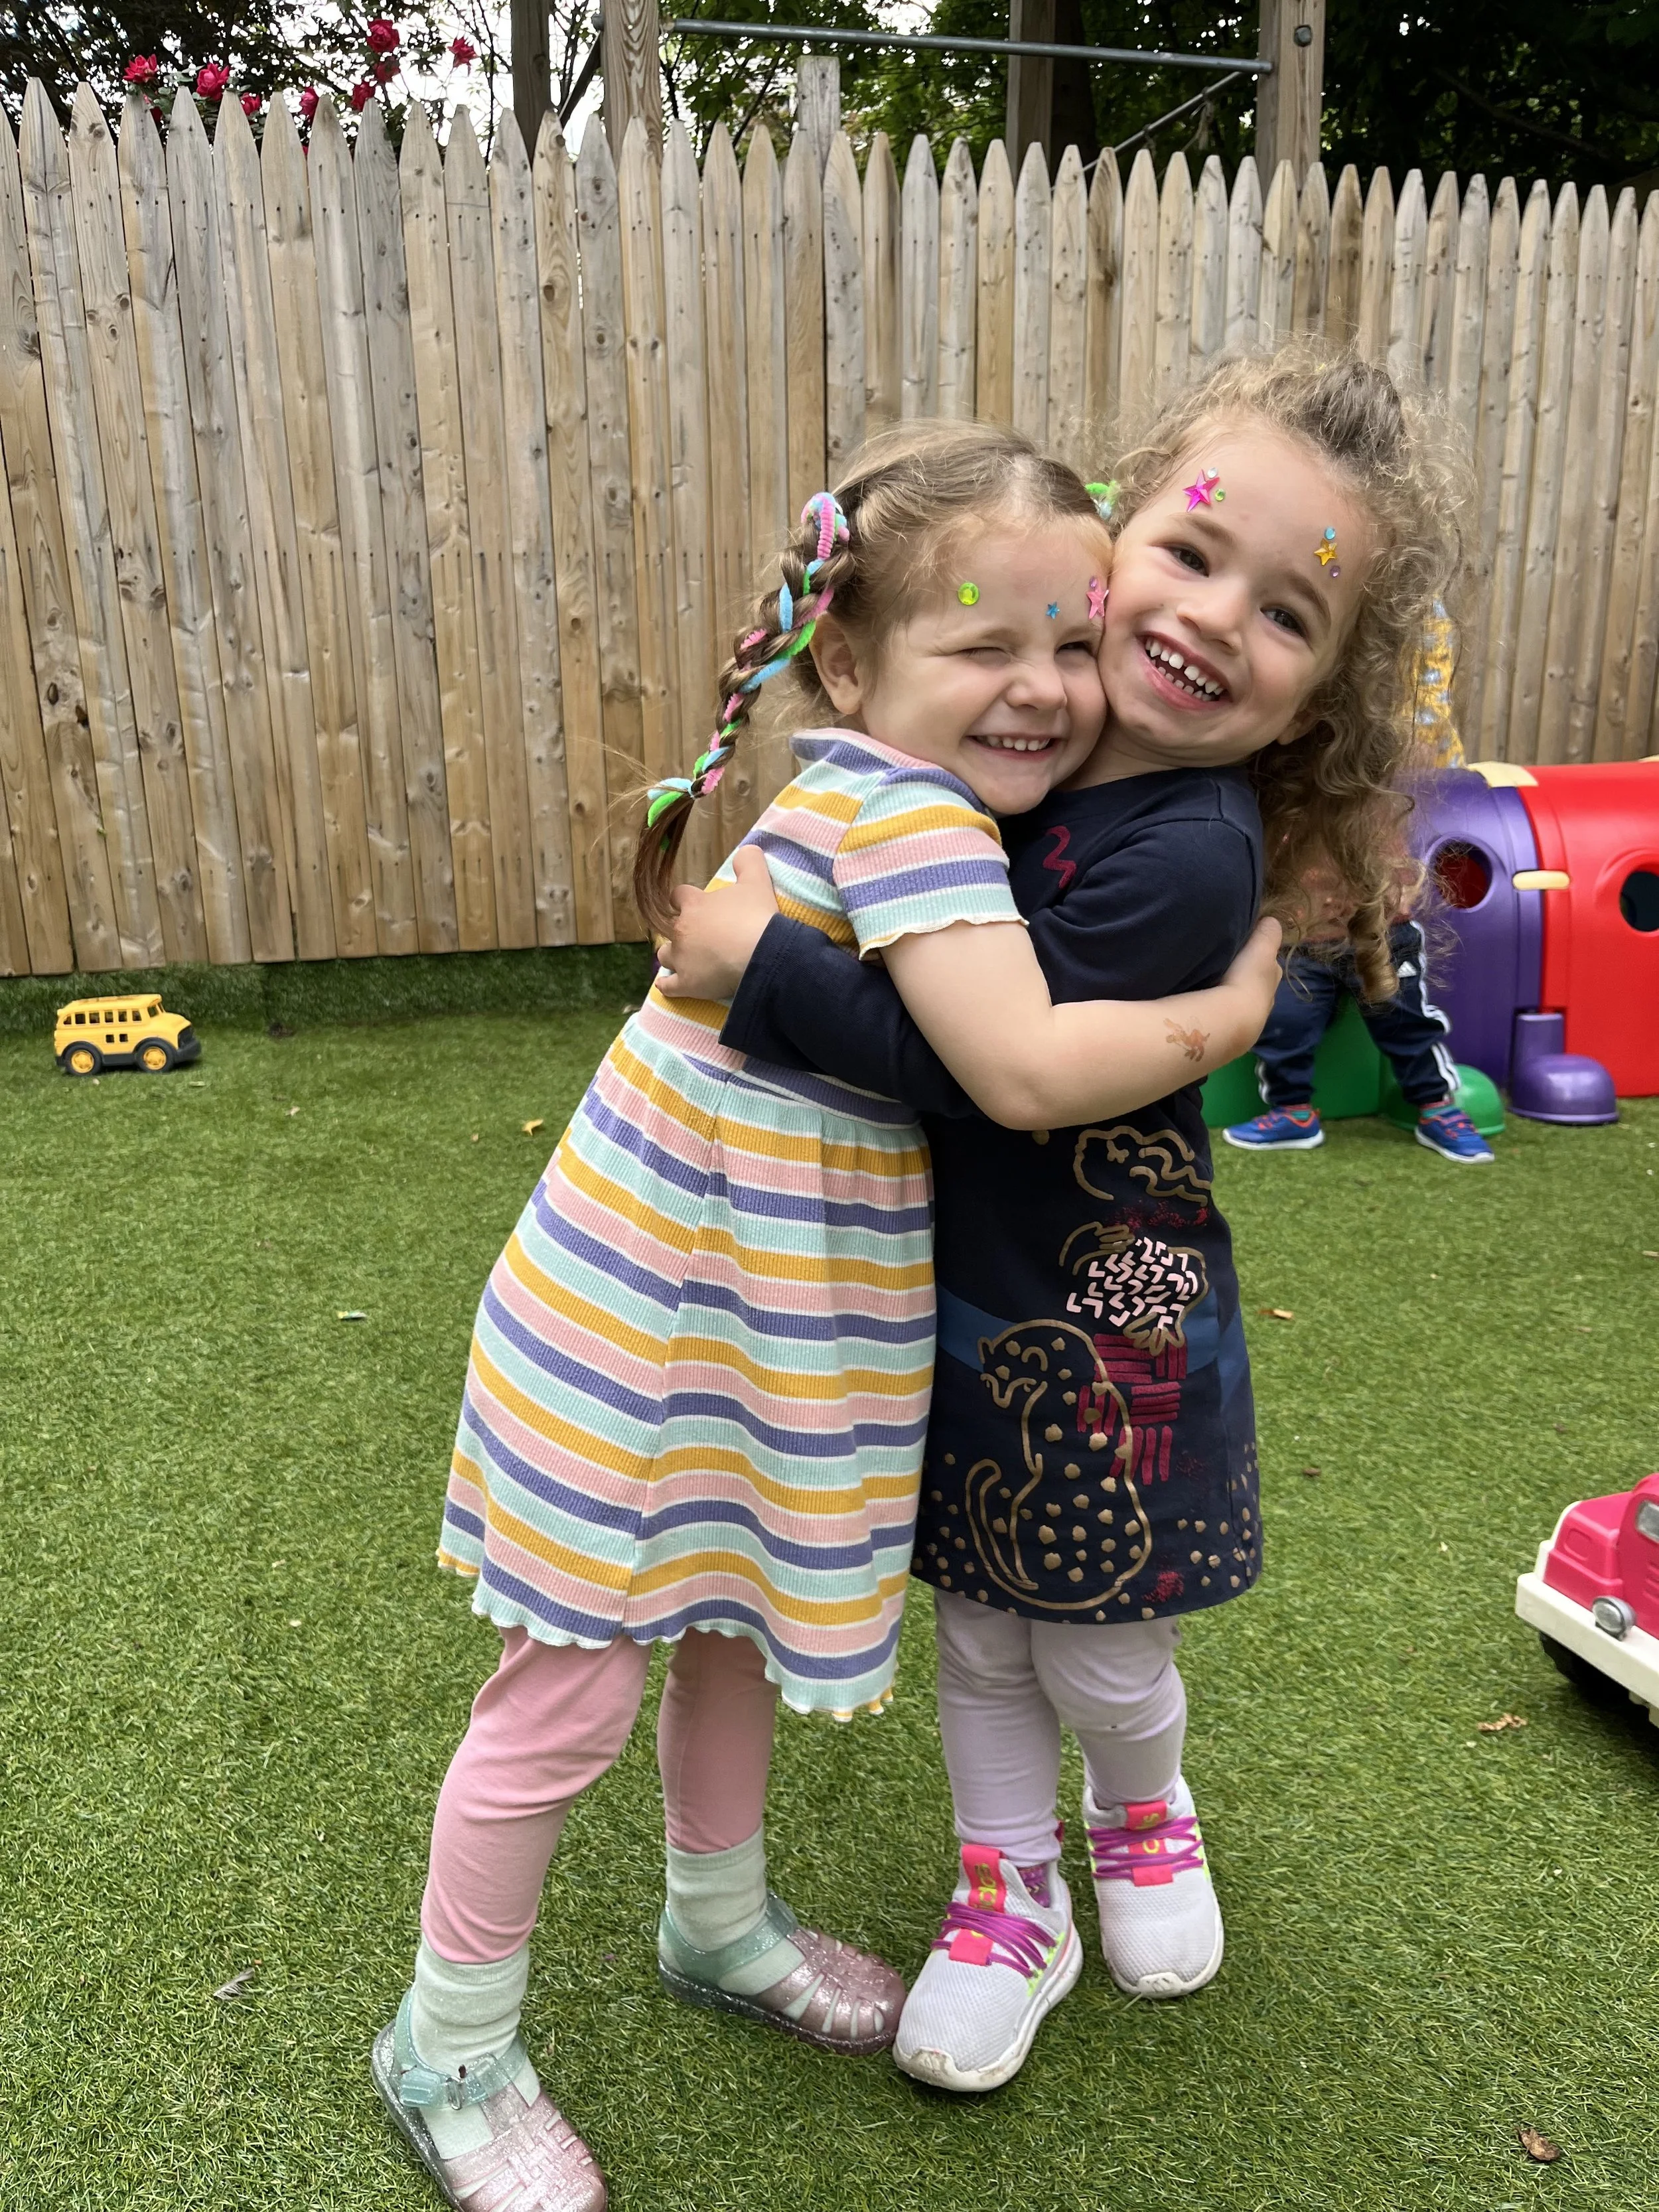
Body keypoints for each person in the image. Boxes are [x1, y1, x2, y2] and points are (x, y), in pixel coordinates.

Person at [370, 423, 1284, 2212]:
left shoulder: (897, 794)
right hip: (661, 1320)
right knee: (561, 1698)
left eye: (1066, 639)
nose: (1039, 690)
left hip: (758, 1307)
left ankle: (716, 1919)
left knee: (725, 1627)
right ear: (850, 663)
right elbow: (1017, 1070)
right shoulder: (911, 813)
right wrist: (1234, 1001)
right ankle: (447, 2042)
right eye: (980, 644)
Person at [660, 349, 1461, 2093]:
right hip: (962, 1272)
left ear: (1317, 695)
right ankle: (1003, 1885)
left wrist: (766, 972)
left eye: (1284, 611)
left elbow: (996, 1070)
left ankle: (1140, 1800)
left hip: (1116, 1291)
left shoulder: (1179, 848)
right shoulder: (1040, 743)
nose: (1208, 618)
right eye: (1189, 555)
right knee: (974, 1612)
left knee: (1099, 1621)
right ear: (1112, 547)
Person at [1222, 853, 1495, 1162]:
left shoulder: (1371, 813)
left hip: (1380, 933)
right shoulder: (1282, 814)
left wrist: (1400, 894)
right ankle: (1293, 1113)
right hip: (1303, 937)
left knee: (1406, 1022)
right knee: (1284, 1020)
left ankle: (1438, 1108)